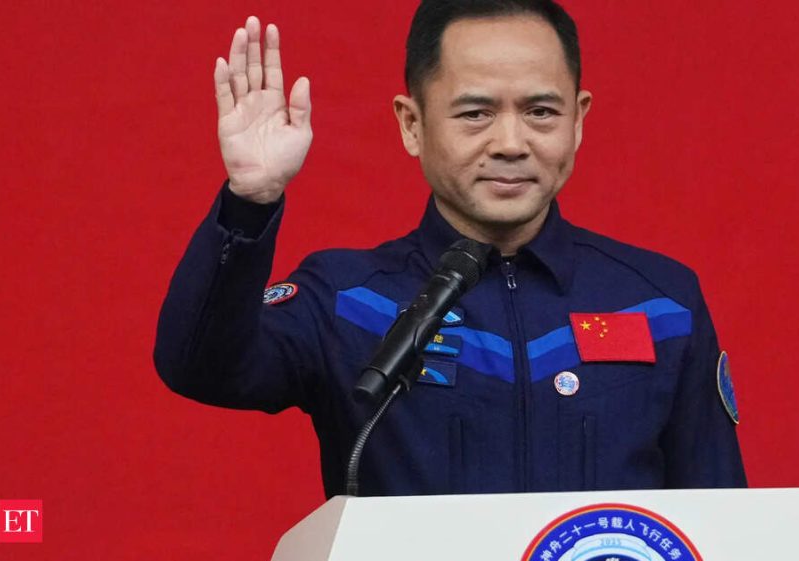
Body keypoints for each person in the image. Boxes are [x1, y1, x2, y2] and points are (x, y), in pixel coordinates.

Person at [155, 0, 746, 498]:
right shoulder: (348, 300)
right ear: (412, 124)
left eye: (541, 112)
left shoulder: (661, 302)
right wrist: (251, 200)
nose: (511, 143)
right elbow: (200, 368)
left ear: (579, 120)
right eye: (475, 113)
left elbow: (724, 520)